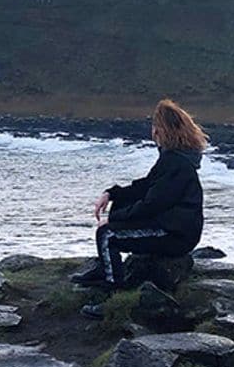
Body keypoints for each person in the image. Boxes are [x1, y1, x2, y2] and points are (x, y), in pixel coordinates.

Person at [71, 99, 207, 295]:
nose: (153, 131)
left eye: (155, 126)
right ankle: (106, 266)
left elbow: (152, 204)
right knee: (122, 203)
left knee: (107, 234)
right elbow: (145, 187)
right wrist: (111, 194)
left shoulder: (176, 164)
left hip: (175, 235)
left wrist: (112, 219)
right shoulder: (174, 158)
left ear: (162, 130)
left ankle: (113, 290)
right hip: (171, 227)